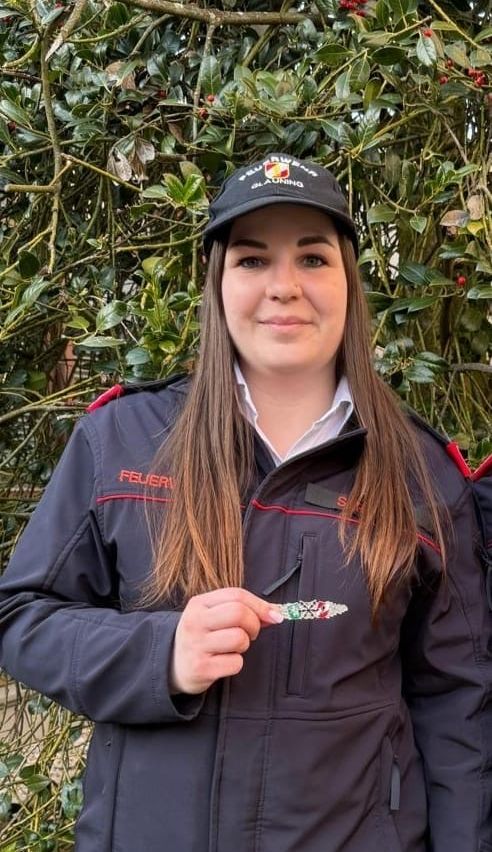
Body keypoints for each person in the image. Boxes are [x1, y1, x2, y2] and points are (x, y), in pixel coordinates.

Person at [0, 152, 491, 852]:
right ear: (218, 282)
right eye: (253, 260)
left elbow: (459, 706)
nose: (284, 287)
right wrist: (160, 653)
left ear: (349, 280)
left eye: (313, 259)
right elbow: (21, 618)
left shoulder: (425, 475)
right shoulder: (122, 440)